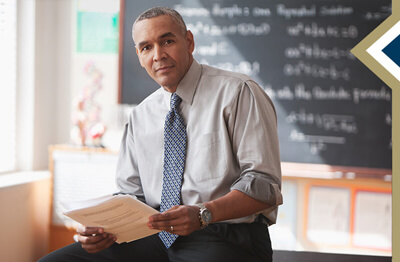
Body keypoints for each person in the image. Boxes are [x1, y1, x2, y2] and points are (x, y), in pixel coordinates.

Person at [39, 6, 282, 262]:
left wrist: (202, 213)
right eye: (146, 47)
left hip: (223, 233)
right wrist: (102, 229)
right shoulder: (141, 115)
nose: (158, 55)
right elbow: (131, 195)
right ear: (139, 55)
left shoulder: (239, 93)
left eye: (167, 41)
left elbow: (264, 186)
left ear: (189, 42)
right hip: (155, 235)